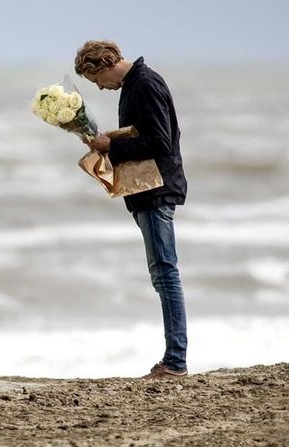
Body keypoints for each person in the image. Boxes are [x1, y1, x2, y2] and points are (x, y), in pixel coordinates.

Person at [74, 40, 189, 379]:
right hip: (148, 191)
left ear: (103, 65)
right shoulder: (134, 85)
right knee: (162, 274)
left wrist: (111, 144)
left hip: (156, 190)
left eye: (95, 79)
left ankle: (175, 362)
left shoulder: (145, 84)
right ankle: (174, 360)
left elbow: (160, 142)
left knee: (165, 274)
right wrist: (111, 140)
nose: (98, 87)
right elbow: (148, 135)